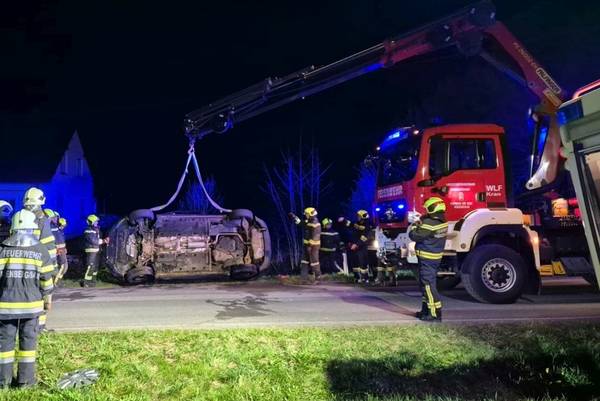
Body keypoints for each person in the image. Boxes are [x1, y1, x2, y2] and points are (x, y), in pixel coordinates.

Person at [0, 209, 54, 388]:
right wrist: (48, 299)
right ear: (33, 228)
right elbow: (46, 280)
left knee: (4, 345)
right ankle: (26, 382)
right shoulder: (41, 251)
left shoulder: (2, 249)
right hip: (31, 307)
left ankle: (3, 382)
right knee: (28, 345)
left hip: (5, 307)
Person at [409, 196, 448, 322]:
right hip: (432, 257)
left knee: (428, 285)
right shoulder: (441, 221)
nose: (426, 211)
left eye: (428, 209)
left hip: (427, 258)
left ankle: (434, 314)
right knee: (425, 285)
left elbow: (414, 236)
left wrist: (414, 225)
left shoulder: (430, 224)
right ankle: (425, 311)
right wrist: (422, 219)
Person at [22, 188, 56, 331]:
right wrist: (53, 267)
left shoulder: (20, 218)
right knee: (42, 296)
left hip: (22, 264)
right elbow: (48, 246)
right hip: (39, 265)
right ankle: (39, 328)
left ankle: (26, 326)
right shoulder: (42, 220)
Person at [289, 207, 321, 284]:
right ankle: (303, 279)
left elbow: (315, 236)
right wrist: (294, 217)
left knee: (314, 262)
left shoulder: (315, 224)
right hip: (307, 245)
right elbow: (301, 223)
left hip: (313, 246)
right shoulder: (309, 221)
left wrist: (310, 245)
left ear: (310, 214)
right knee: (304, 261)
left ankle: (318, 278)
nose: (306, 215)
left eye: (306, 214)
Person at [340, 210, 372, 283]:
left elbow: (364, 238)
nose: (357, 217)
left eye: (359, 216)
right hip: (354, 246)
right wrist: (343, 220)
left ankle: (365, 278)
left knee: (363, 262)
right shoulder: (357, 223)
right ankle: (357, 277)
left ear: (362, 217)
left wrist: (357, 244)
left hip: (361, 246)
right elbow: (350, 224)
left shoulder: (367, 226)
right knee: (355, 262)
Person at [82, 215, 108, 288]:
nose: (97, 223)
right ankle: (86, 282)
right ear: (91, 222)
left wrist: (105, 240)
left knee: (95, 267)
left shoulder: (96, 230)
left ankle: (93, 281)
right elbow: (93, 241)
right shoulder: (88, 230)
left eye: (97, 221)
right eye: (95, 221)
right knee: (90, 266)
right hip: (91, 251)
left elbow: (99, 238)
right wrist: (103, 241)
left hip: (97, 250)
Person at [54, 217, 69, 284]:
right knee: (62, 266)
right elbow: (55, 242)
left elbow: (62, 242)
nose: (63, 227)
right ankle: (55, 282)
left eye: (64, 226)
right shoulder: (55, 232)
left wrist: (64, 248)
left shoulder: (60, 232)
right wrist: (57, 250)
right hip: (58, 251)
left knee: (65, 266)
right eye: (62, 225)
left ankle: (58, 280)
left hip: (62, 250)